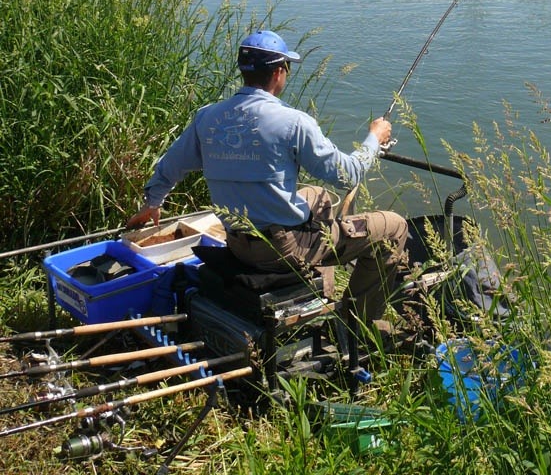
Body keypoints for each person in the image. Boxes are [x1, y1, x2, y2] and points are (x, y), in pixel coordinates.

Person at [128, 29, 409, 334]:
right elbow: (348, 175)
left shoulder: (207, 117)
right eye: (287, 68)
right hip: (280, 249)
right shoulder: (293, 122)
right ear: (278, 73)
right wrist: (374, 139)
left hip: (237, 240)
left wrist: (151, 204)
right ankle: (357, 328)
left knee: (317, 194)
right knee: (394, 227)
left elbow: (169, 167)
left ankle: (319, 284)